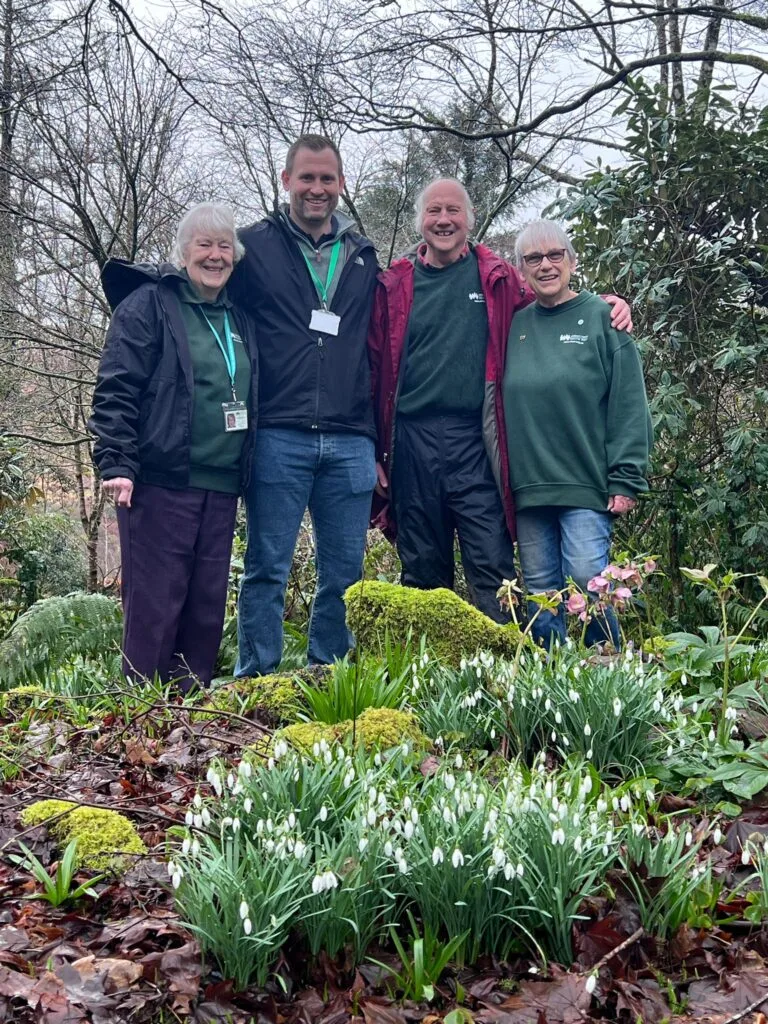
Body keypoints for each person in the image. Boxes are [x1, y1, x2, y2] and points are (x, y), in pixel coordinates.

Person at [369, 180, 632, 622]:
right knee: (421, 568)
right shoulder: (394, 285)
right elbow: (372, 367)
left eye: (454, 210)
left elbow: (552, 300)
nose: (444, 220)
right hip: (410, 439)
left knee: (492, 564)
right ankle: (433, 676)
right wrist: (371, 446)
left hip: (477, 438)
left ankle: (503, 673)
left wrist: (603, 305)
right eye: (434, 210)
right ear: (420, 221)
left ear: (469, 220)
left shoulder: (497, 278)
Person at [89, 203, 258, 690]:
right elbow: (117, 385)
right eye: (204, 244)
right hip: (160, 482)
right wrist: (116, 461)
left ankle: (186, 718)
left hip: (222, 486)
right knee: (155, 605)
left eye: (224, 246)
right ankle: (141, 715)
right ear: (182, 252)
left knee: (205, 607)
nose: (215, 255)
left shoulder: (238, 317)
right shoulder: (148, 305)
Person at [230, 135, 379, 676]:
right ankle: (258, 681)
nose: (317, 189)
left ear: (341, 184)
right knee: (266, 567)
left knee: (345, 573)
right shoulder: (251, 247)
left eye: (327, 179)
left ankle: (327, 676)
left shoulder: (363, 255)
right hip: (278, 432)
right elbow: (203, 290)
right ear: (286, 180)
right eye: (307, 177)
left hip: (350, 437)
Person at [502, 219, 652, 649]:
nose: (546, 265)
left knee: (590, 581)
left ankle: (606, 673)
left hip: (588, 484)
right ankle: (553, 690)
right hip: (529, 489)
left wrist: (626, 477)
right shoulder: (513, 326)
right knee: (542, 596)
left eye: (555, 255)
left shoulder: (603, 318)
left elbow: (628, 404)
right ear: (521, 268)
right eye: (534, 258)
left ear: (572, 260)